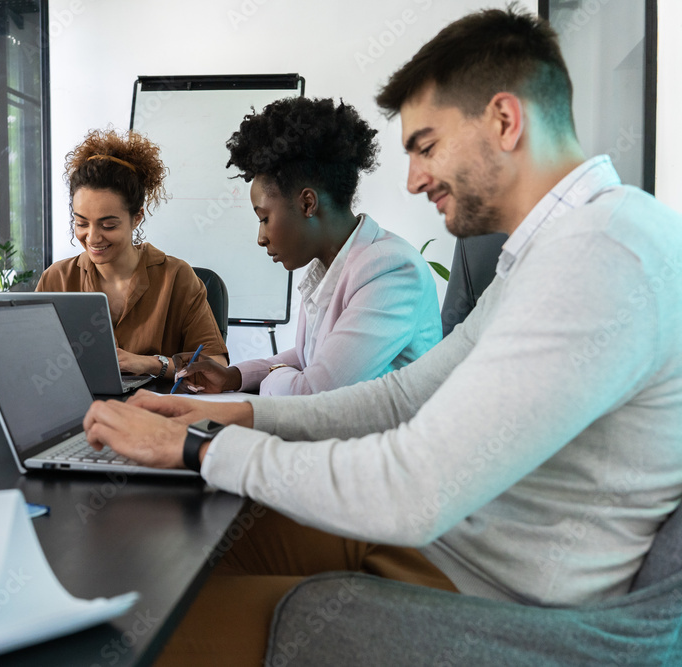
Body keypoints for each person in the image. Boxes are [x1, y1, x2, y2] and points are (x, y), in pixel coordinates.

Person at [81, 8, 682, 666]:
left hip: (487, 601)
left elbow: (414, 488)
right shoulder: (547, 252)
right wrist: (226, 414)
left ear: (505, 121)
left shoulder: (605, 251)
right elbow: (402, 398)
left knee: (131, 635)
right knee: (158, 563)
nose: (413, 179)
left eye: (426, 145)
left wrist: (201, 446)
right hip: (444, 545)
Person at [174, 97, 441, 397]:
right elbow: (306, 358)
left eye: (264, 219)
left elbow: (313, 392)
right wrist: (232, 377)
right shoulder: (326, 268)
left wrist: (279, 377)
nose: (261, 237)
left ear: (307, 203)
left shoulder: (389, 270)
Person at [36, 128, 227, 379]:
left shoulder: (177, 278)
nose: (92, 238)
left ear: (136, 218)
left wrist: (151, 364)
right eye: (81, 223)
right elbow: (33, 359)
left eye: (108, 225)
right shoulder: (56, 279)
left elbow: (217, 365)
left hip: (155, 403)